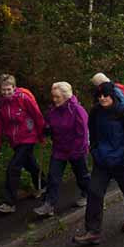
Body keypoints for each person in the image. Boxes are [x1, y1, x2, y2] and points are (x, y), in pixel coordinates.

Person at [73, 82, 124, 246]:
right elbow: (92, 133)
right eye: (99, 96)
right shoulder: (96, 112)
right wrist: (95, 151)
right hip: (102, 161)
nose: (102, 98)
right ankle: (93, 231)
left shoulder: (123, 112)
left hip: (121, 161)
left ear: (112, 95)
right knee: (94, 192)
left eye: (105, 95)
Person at [34, 82, 90, 217]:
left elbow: (83, 133)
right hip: (59, 149)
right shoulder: (53, 110)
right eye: (53, 97)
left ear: (66, 96)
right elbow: (48, 123)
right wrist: (46, 129)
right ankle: (49, 204)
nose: (54, 100)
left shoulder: (77, 110)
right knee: (53, 176)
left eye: (57, 97)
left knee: (81, 176)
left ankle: (88, 194)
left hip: (76, 150)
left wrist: (77, 151)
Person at [0, 74, 45, 214]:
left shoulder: (23, 98)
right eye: (3, 90)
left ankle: (9, 203)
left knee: (13, 168)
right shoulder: (0, 104)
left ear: (14, 88)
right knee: (30, 164)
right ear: (0, 90)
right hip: (14, 140)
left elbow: (37, 115)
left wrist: (41, 135)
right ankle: (43, 185)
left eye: (9, 89)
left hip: (28, 137)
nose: (6, 93)